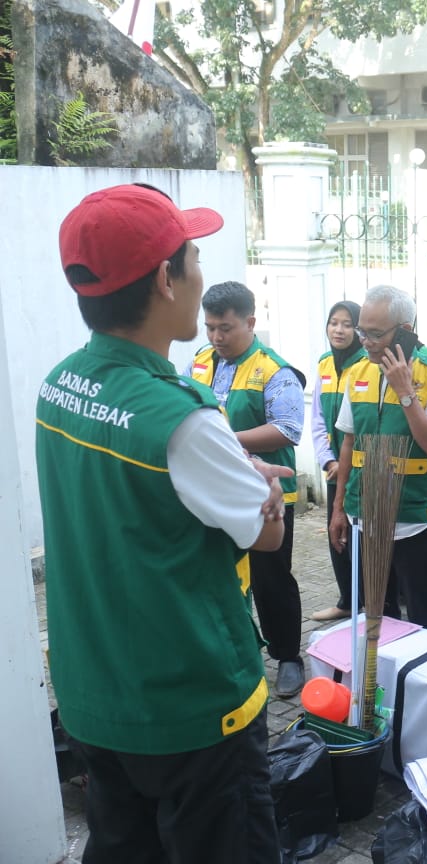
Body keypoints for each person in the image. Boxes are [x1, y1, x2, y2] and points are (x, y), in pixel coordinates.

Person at [41, 183, 288, 861]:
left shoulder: (59, 384)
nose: (201, 276)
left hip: (96, 694)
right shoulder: (181, 419)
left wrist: (227, 473)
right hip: (192, 706)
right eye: (194, 258)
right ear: (164, 279)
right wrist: (259, 494)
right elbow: (263, 534)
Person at [189, 281, 308, 697]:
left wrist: (223, 440)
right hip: (214, 491)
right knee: (221, 575)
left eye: (226, 328)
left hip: (267, 495)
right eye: (210, 328)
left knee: (270, 578)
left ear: (250, 322)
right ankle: (237, 656)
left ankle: (289, 656)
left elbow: (288, 429)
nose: (217, 338)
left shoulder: (275, 371)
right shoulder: (201, 361)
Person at [328, 285, 427, 633]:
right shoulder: (358, 372)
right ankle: (379, 682)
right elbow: (348, 444)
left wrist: (405, 393)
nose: (366, 341)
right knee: (375, 613)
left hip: (415, 519)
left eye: (375, 333)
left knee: (424, 617)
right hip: (364, 515)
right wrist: (339, 508)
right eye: (362, 331)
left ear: (405, 330)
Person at [310, 300, 368, 623]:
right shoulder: (323, 364)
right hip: (335, 469)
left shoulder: (367, 364)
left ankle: (369, 601)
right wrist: (327, 460)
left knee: (361, 536)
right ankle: (347, 601)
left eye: (348, 324)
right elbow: (317, 418)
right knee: (337, 536)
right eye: (334, 323)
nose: (340, 330)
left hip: (361, 469)